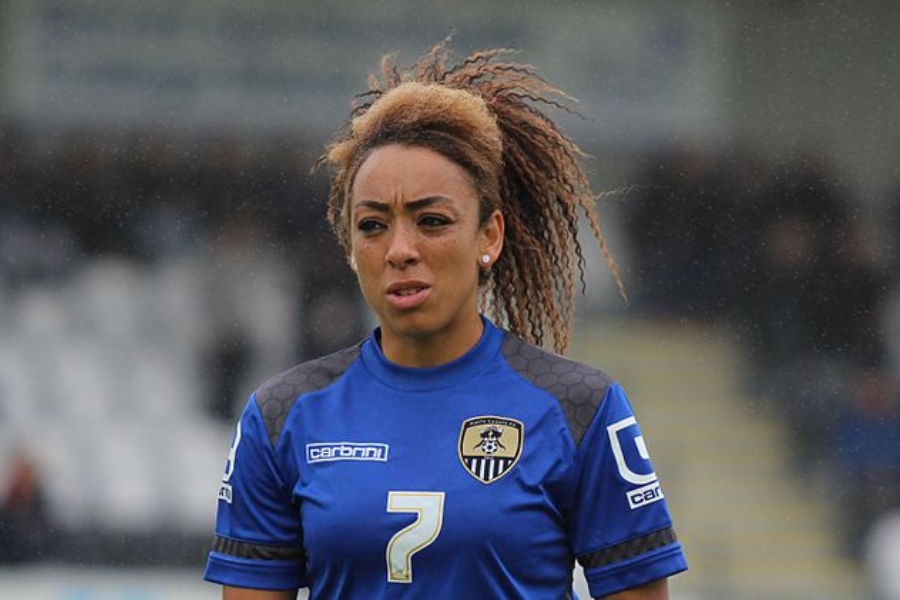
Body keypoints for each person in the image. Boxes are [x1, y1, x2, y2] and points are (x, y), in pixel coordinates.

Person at [203, 42, 687, 599]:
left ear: (490, 236)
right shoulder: (281, 417)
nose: (400, 249)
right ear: (349, 247)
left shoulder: (581, 408)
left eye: (431, 221)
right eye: (372, 225)